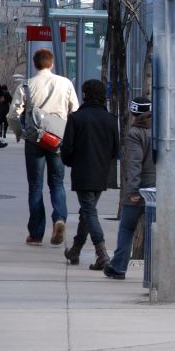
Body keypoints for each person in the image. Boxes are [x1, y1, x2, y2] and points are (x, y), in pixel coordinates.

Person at [8, 48, 79, 246]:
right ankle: (59, 218)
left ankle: (36, 233)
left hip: (34, 140)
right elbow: (75, 110)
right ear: (52, 63)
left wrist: (20, 133)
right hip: (57, 139)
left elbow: (12, 115)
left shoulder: (26, 85)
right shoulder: (65, 83)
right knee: (57, 183)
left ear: (34, 64)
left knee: (35, 186)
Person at [60, 79, 119, 270]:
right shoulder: (110, 119)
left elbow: (67, 150)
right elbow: (115, 150)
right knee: (87, 210)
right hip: (102, 172)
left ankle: (101, 252)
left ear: (85, 94)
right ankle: (76, 249)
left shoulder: (76, 118)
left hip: (82, 171)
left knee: (89, 211)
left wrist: (72, 161)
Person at [103, 97, 155, 280]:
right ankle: (157, 268)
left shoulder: (135, 133)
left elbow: (134, 163)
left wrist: (133, 190)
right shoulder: (158, 130)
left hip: (139, 188)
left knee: (127, 228)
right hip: (157, 189)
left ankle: (118, 267)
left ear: (134, 114)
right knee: (154, 229)